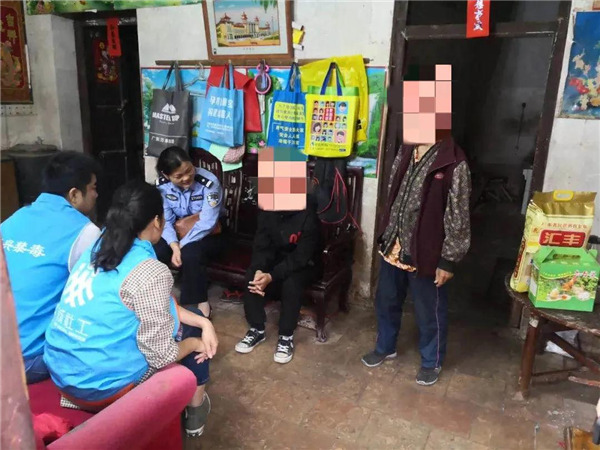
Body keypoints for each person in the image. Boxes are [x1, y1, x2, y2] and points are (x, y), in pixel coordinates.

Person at [44, 181, 218, 437]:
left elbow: (157, 304)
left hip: (61, 372)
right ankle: (195, 409)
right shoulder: (151, 271)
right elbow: (161, 356)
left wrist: (205, 322)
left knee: (196, 319)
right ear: (157, 221)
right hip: (101, 389)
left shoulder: (97, 246)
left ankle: (193, 402)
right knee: (190, 334)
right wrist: (195, 344)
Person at [361, 137, 471, 386]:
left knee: (429, 310)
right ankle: (385, 347)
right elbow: (393, 194)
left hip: (426, 251)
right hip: (394, 244)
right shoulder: (406, 150)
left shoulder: (453, 161)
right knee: (386, 300)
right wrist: (385, 231)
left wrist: (448, 260)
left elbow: (459, 216)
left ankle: (432, 361)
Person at [1, 151, 101, 384]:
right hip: (26, 360)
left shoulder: (12, 220)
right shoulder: (85, 232)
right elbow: (94, 300)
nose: (96, 195)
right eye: (93, 188)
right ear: (74, 194)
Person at [235, 197, 321, 364]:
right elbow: (261, 246)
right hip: (277, 258)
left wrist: (272, 276)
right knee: (253, 275)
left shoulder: (308, 214)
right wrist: (260, 269)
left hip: (306, 263)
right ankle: (257, 328)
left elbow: (301, 257)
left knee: (292, 282)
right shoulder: (268, 210)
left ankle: (286, 336)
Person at [153, 147, 223, 318]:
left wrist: (181, 246)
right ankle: (156, 298)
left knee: (191, 253)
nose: (186, 178)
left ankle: (199, 304)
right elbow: (166, 221)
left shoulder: (209, 183)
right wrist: (173, 245)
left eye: (189, 170)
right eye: (178, 176)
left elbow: (207, 223)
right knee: (155, 250)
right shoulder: (162, 187)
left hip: (208, 233)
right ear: (166, 175)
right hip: (176, 231)